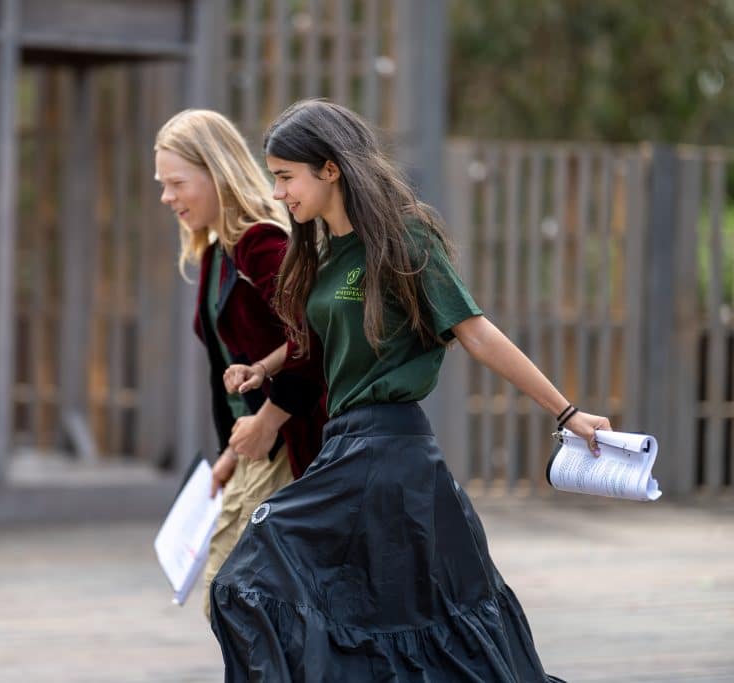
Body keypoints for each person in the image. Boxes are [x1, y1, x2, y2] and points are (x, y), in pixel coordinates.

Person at [210, 99, 611, 682]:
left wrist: (567, 411)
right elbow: (324, 345)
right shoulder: (325, 254)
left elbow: (476, 333)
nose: (278, 194)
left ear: (330, 169)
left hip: (388, 453)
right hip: (345, 449)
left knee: (249, 577)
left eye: (285, 177)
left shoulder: (404, 240)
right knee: (378, 619)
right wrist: (265, 366)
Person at [153, 109, 327, 618]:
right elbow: (230, 369)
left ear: (216, 171)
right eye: (163, 185)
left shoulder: (261, 242)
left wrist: (268, 422)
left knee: (238, 601)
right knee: (242, 603)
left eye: (177, 183)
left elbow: (314, 338)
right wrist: (230, 451)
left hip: (289, 445)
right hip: (254, 447)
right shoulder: (216, 251)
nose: (167, 197)